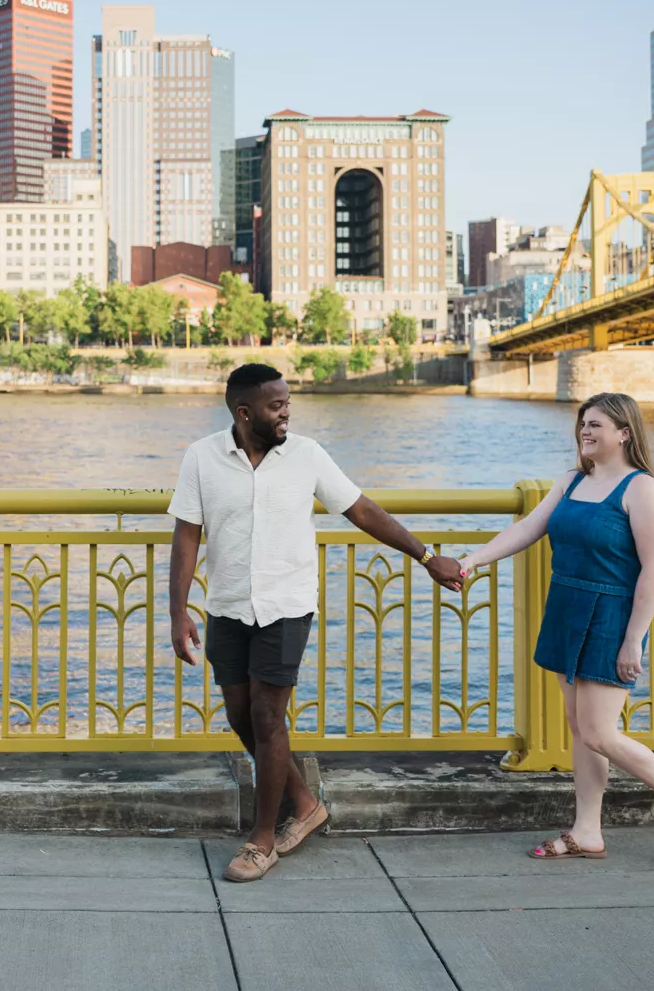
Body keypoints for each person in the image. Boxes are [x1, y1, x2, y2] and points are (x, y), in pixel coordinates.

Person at [169, 362, 465, 882]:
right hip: (228, 606)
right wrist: (178, 611)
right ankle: (305, 803)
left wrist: (426, 557)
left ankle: (262, 841)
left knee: (266, 717)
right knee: (241, 715)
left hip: (287, 605)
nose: (287, 411)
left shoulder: (307, 455)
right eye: (275, 404)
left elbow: (363, 511)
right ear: (244, 413)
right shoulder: (201, 457)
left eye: (287, 401)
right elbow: (187, 535)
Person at [456, 391, 654, 866]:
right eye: (582, 424)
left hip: (612, 616)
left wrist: (634, 638)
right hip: (567, 606)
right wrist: (472, 561)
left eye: (596, 424)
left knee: (599, 732)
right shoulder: (574, 479)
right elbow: (529, 527)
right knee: (580, 729)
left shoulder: (642, 489)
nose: (585, 432)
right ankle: (587, 831)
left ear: (624, 433)